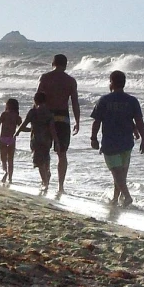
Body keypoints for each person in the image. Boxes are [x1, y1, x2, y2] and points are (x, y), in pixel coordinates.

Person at [90, 70, 144, 207]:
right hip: (127, 143)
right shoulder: (132, 101)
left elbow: (97, 121)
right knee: (120, 174)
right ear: (124, 83)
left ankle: (127, 197)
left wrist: (93, 138)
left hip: (110, 143)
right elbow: (138, 121)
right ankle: (115, 199)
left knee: (117, 173)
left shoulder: (104, 100)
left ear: (111, 83)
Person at [36, 54, 80, 195]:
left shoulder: (45, 77)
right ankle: (60, 186)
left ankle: (45, 180)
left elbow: (37, 98)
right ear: (66, 65)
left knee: (43, 149)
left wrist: (34, 115)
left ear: (52, 63)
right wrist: (77, 121)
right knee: (62, 152)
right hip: (62, 117)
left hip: (46, 115)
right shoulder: (70, 81)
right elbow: (74, 102)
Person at [16, 92, 59, 193]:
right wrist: (56, 141)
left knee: (39, 162)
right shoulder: (49, 113)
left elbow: (24, 123)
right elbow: (52, 129)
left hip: (36, 140)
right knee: (46, 157)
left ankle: (44, 182)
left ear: (35, 100)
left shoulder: (33, 112)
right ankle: (47, 172)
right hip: (47, 140)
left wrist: (17, 132)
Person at [0, 98, 22, 185]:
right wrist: (32, 129)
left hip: (3, 138)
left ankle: (5, 172)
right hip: (12, 139)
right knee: (10, 160)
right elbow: (21, 128)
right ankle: (10, 179)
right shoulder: (17, 117)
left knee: (3, 159)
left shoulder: (4, 114)